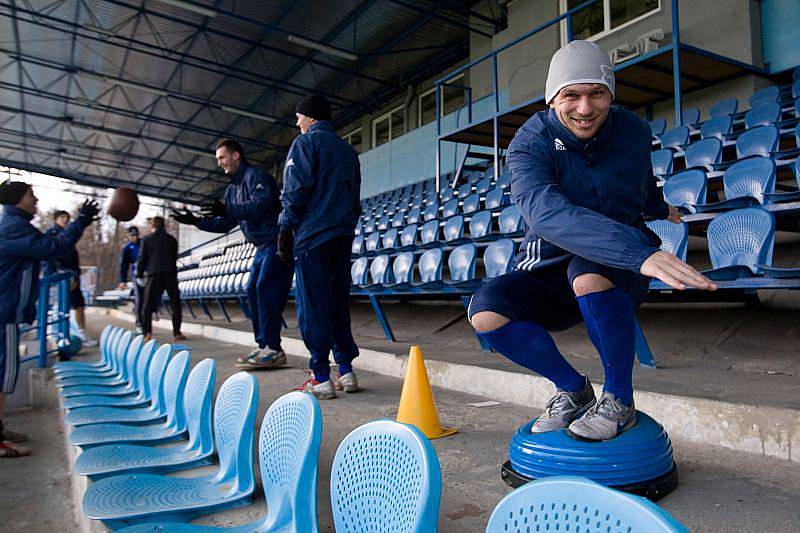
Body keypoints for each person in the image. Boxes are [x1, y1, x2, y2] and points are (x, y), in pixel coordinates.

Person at [467, 40, 716, 441]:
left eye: (596, 93)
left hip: (613, 269)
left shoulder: (632, 131)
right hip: (554, 266)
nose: (585, 108)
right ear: (552, 99)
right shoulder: (529, 143)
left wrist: (657, 206)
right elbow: (545, 212)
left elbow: (638, 180)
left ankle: (619, 399)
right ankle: (571, 389)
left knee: (588, 273)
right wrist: (638, 252)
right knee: (486, 311)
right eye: (572, 95)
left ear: (610, 94)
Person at [171, 139, 292, 369]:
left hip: (276, 242)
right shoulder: (232, 189)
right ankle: (264, 345)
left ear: (236, 155)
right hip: (260, 247)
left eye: (222, 158)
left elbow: (263, 206)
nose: (220, 164)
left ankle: (274, 348)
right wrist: (196, 221)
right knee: (252, 291)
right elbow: (226, 223)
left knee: (264, 289)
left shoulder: (257, 176)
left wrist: (229, 208)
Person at [0, 181, 98, 457]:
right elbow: (52, 248)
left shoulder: (14, 223)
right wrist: (80, 222)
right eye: (31, 194)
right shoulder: (13, 227)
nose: (36, 198)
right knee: (2, 374)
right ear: (19, 199)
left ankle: (0, 427)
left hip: (7, 308)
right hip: (4, 311)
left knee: (4, 372)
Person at [277, 94, 362, 399]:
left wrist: (286, 225)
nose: (297, 122)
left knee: (313, 305)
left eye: (299, 116)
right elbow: (355, 199)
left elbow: (296, 188)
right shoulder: (348, 152)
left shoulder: (305, 144)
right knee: (338, 301)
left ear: (310, 117)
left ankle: (321, 376)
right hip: (342, 235)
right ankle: (346, 370)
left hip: (313, 236)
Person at [44, 210, 98, 347]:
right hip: (60, 277)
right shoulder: (51, 234)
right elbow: (48, 257)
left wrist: (75, 273)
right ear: (56, 219)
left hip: (72, 275)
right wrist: (55, 272)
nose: (65, 220)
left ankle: (82, 333)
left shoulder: (69, 236)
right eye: (62, 217)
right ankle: (56, 334)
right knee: (60, 306)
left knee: (79, 305)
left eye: (67, 218)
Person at [136, 216, 185, 343]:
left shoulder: (146, 240)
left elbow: (142, 259)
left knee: (147, 304)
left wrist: (139, 274)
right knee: (175, 304)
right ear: (164, 226)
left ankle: (147, 333)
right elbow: (174, 257)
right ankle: (176, 332)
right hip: (170, 274)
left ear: (153, 226)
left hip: (154, 274)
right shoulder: (172, 240)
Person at [118, 226, 143, 331]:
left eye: (135, 235)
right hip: (136, 275)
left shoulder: (144, 244)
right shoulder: (127, 248)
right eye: (131, 235)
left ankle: (147, 321)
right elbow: (123, 265)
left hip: (148, 274)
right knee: (139, 299)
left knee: (149, 300)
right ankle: (139, 324)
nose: (134, 238)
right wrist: (122, 280)